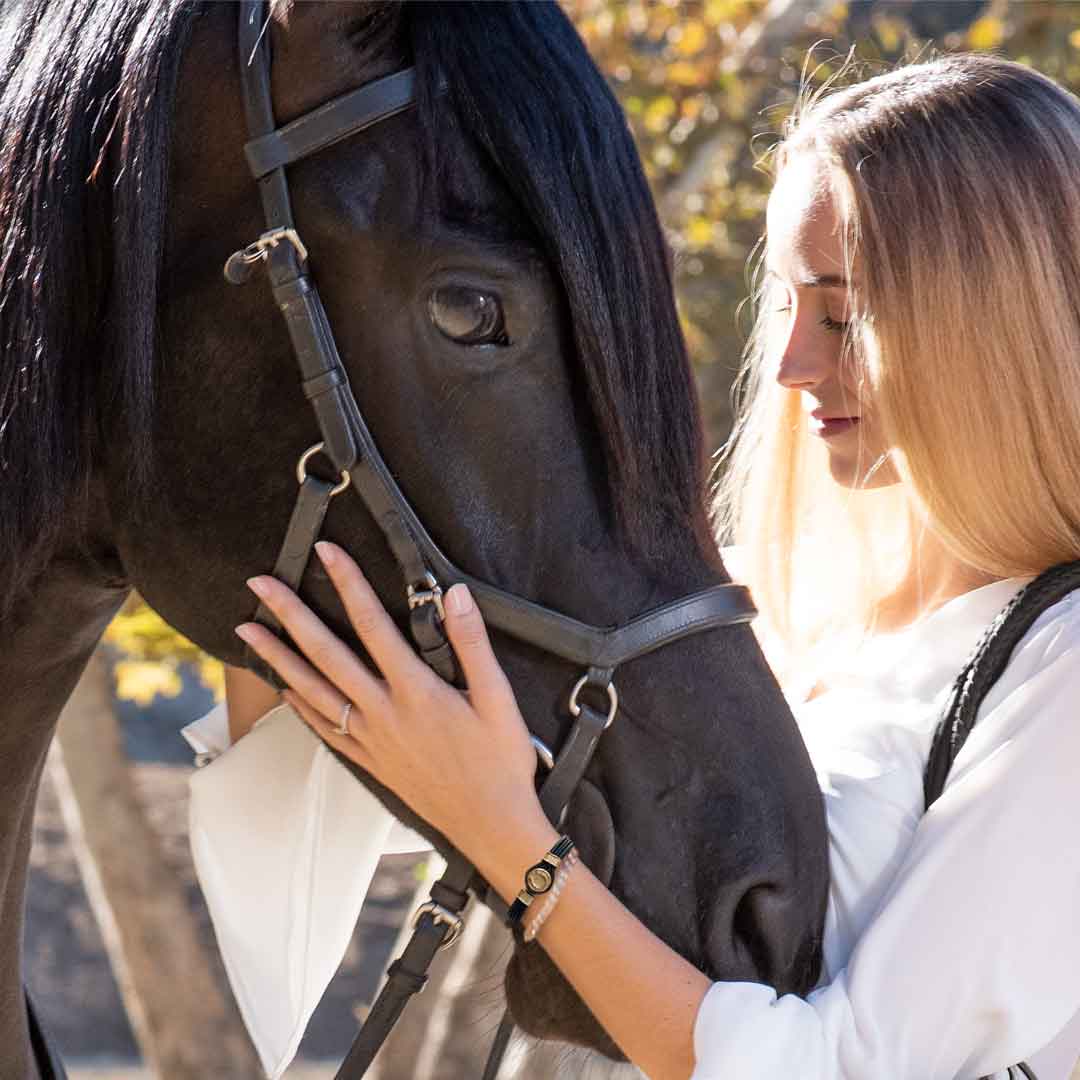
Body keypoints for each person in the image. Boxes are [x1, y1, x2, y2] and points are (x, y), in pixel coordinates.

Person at [210, 54, 1080, 1079]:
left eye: (844, 316)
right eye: (789, 308)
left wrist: (518, 850)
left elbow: (845, 1066)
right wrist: (268, 546)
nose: (794, 363)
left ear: (994, 330)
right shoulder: (768, 605)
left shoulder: (1059, 671)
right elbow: (358, 804)